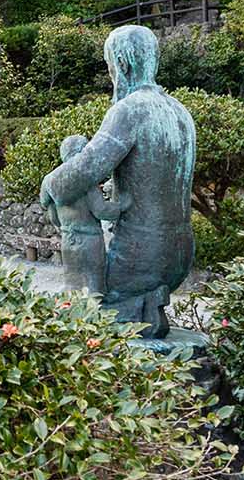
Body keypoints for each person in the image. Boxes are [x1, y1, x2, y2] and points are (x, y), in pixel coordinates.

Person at [40, 25, 195, 337]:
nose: (112, 75)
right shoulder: (180, 112)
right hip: (180, 257)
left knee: (83, 299)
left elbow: (84, 171)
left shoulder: (130, 109)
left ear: (122, 65)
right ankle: (145, 310)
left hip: (139, 259)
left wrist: (49, 185)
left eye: (111, 66)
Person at [50, 134, 129, 295]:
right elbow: (102, 211)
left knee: (72, 286)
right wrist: (122, 206)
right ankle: (98, 319)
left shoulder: (50, 182)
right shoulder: (85, 181)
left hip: (68, 239)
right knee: (95, 288)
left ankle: (75, 318)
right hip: (89, 240)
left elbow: (53, 216)